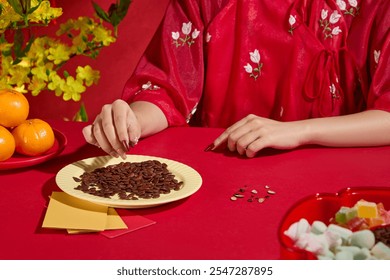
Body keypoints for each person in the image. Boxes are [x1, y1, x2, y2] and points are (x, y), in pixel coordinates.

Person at [83, 0, 390, 159]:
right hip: (224, 169)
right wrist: (131, 120)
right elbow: (167, 89)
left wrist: (299, 132)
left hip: (336, 178)